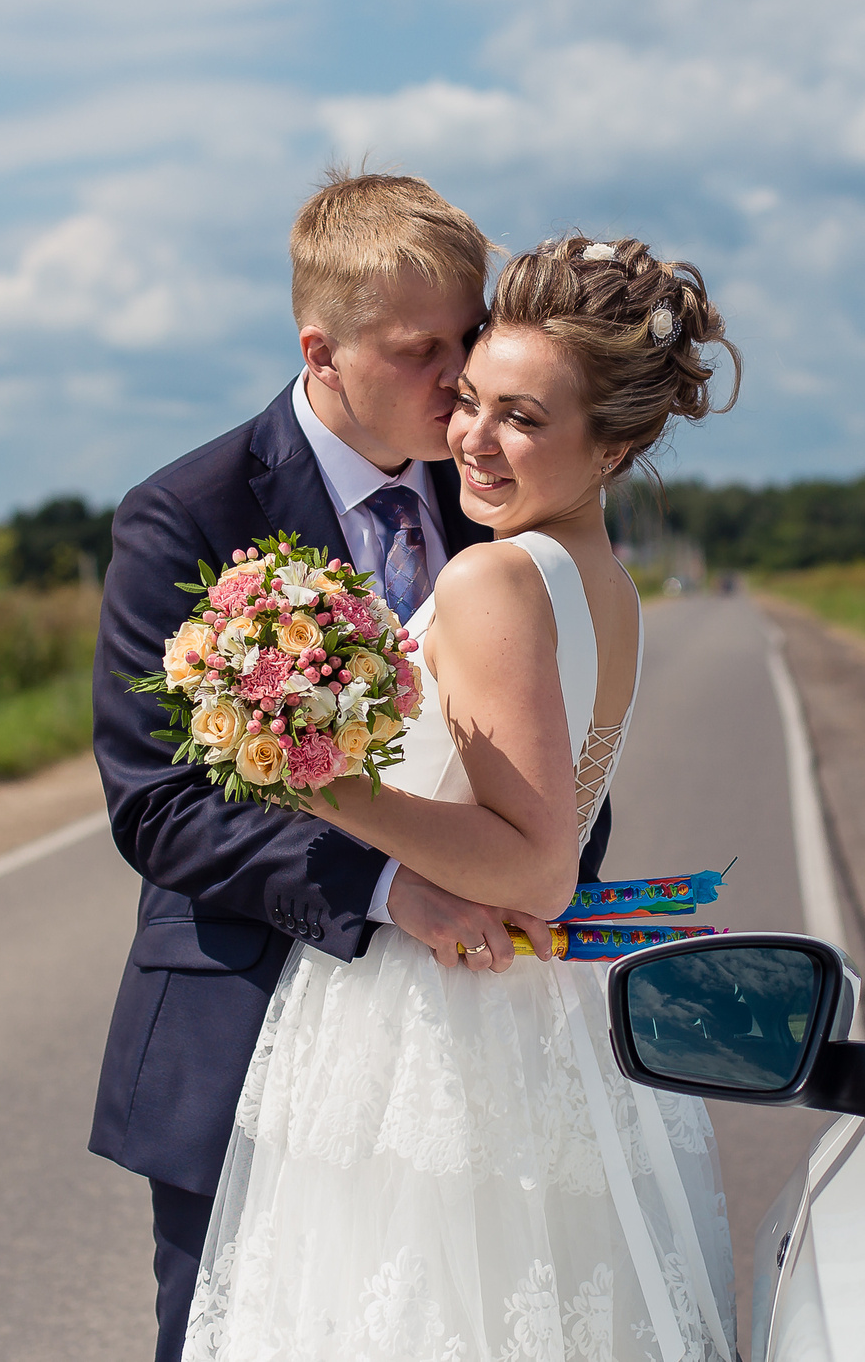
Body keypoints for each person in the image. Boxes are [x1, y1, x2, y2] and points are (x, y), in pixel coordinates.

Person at [181, 235, 742, 1362]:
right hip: (549, 1024)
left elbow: (535, 864)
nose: (473, 440)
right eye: (472, 401)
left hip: (442, 1028)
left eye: (524, 419)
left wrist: (312, 772)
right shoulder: (605, 584)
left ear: (614, 444)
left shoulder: (491, 576)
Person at [89, 174, 619, 1362]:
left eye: (470, 338)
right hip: (243, 1033)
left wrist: (541, 876)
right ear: (319, 351)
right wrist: (390, 890)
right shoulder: (184, 514)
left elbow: (549, 734)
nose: (458, 380)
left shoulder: (498, 489)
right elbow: (161, 808)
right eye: (420, 349)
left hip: (464, 1055)